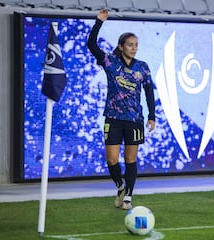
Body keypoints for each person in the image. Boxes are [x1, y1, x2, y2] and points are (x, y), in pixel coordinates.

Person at [87, 9, 155, 210]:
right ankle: (120, 186)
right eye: (130, 45)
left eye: (136, 45)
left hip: (134, 119)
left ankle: (129, 197)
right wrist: (98, 22)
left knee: (131, 159)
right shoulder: (110, 62)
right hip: (113, 118)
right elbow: (91, 44)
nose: (134, 48)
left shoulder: (142, 67)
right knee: (112, 159)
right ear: (121, 46)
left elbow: (149, 92)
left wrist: (152, 116)